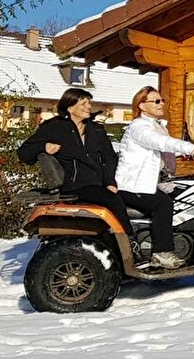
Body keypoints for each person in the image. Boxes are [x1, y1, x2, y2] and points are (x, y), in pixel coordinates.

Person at [17, 87, 183, 269]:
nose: (89, 106)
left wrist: (111, 181)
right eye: (83, 103)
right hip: (75, 185)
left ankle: (159, 247)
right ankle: (129, 243)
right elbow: (24, 152)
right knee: (111, 199)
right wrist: (43, 146)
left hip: (101, 185)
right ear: (70, 107)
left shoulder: (96, 130)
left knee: (157, 200)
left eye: (89, 102)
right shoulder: (54, 128)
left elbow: (110, 158)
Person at [117, 86, 194, 266]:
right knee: (162, 204)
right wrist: (190, 147)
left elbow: (157, 155)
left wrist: (185, 154)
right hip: (133, 186)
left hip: (151, 183)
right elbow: (159, 143)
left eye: (162, 100)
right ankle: (162, 252)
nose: (161, 103)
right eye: (156, 101)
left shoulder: (157, 125)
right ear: (141, 106)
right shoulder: (139, 127)